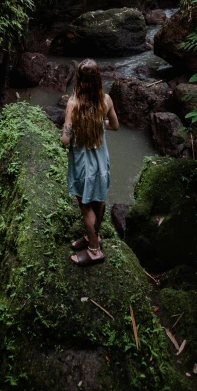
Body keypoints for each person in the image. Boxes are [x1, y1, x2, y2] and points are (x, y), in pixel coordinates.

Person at [61, 58, 119, 266]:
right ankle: (93, 236)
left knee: (86, 206)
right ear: (97, 79)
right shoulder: (106, 100)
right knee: (99, 200)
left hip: (83, 165)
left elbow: (65, 139)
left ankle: (94, 250)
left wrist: (68, 130)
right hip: (101, 162)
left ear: (79, 80)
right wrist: (98, 123)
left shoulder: (73, 104)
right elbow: (114, 125)